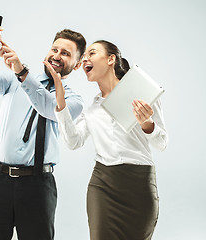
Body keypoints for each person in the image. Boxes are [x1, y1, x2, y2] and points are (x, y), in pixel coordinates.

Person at [0, 23, 86, 240]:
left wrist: (22, 72)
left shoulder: (74, 101)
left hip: (37, 186)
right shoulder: (16, 80)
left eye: (66, 53)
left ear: (77, 65)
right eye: (55, 49)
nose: (57, 56)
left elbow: (49, 106)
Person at [44, 40, 168, 240]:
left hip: (139, 183)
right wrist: (60, 103)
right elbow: (73, 141)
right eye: (83, 58)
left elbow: (161, 143)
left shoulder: (143, 93)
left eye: (92, 53)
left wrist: (147, 124)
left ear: (111, 59)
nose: (86, 60)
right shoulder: (92, 109)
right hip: (103, 185)